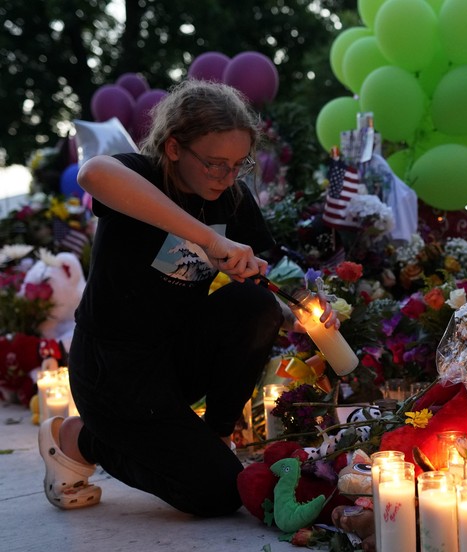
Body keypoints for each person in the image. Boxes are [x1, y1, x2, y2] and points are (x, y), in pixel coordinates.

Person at [38, 79, 336, 517]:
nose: (228, 177)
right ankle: (80, 438)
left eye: (239, 164)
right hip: (114, 369)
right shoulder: (141, 175)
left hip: (174, 361)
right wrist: (207, 241)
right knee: (215, 493)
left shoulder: (231, 195)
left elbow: (270, 270)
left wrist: (309, 304)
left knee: (255, 306)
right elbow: (92, 174)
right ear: (175, 148)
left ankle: (216, 434)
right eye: (215, 164)